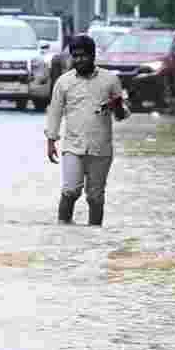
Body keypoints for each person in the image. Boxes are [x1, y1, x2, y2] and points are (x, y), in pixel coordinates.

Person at [44, 34, 129, 226]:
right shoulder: (63, 82)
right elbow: (55, 112)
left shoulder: (111, 80)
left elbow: (122, 115)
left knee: (95, 196)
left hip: (101, 148)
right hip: (73, 146)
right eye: (75, 56)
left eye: (83, 55)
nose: (79, 60)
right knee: (70, 190)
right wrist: (51, 141)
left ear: (93, 56)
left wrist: (116, 106)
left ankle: (94, 234)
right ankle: (63, 230)